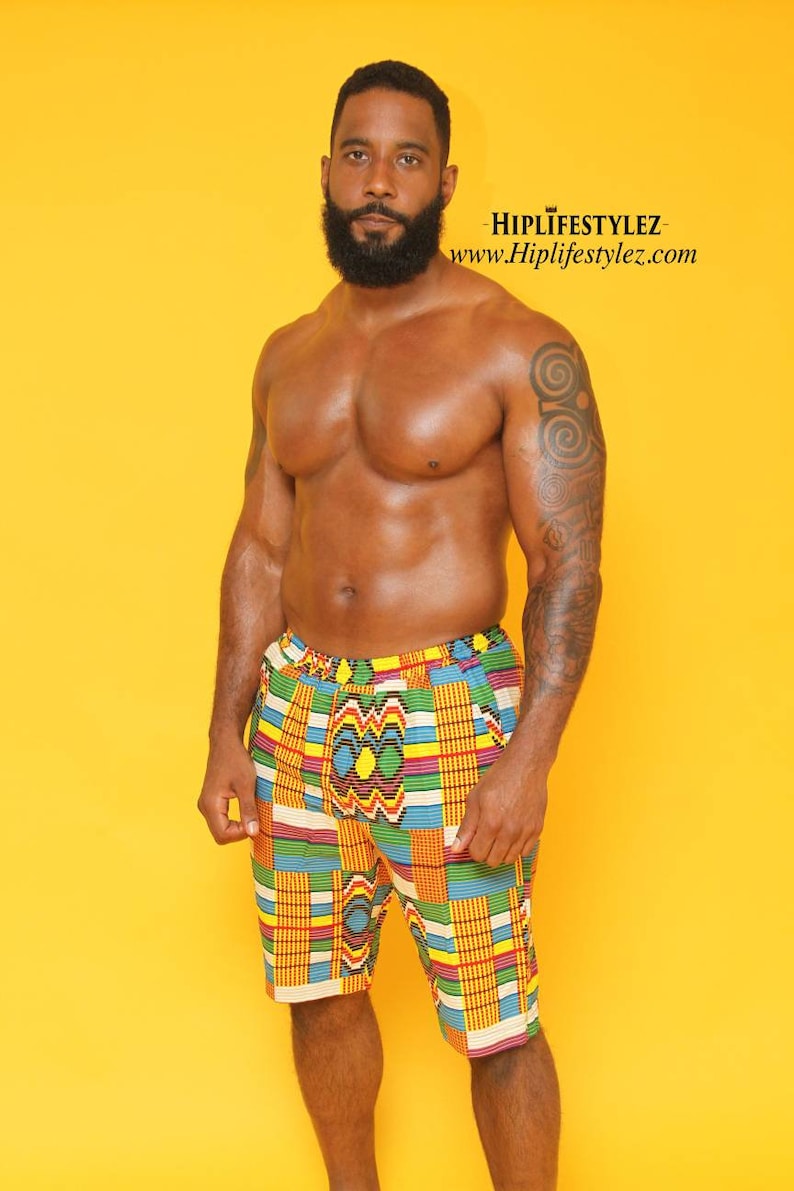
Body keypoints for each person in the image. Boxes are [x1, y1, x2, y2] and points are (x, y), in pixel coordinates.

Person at [198, 59, 605, 1191]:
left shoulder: (517, 344)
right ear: (327, 172)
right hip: (297, 710)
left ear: (446, 182)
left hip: (451, 709)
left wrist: (531, 755)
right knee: (319, 991)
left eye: (408, 159)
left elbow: (567, 565)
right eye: (359, 155)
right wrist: (226, 729)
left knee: (494, 1017)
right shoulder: (287, 353)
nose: (379, 181)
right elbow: (259, 548)